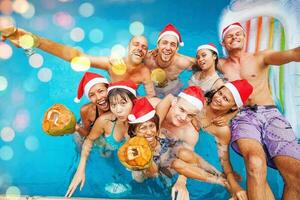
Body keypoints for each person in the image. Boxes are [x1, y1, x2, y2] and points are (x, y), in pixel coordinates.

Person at [218, 22, 300, 200]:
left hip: (271, 115)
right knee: (255, 163)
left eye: (238, 33)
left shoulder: (260, 57)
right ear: (223, 43)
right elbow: (194, 62)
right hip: (242, 117)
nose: (235, 37)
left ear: (245, 38)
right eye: (229, 35)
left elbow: (293, 54)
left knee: (297, 177)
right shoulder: (220, 65)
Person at [0, 27, 155, 97]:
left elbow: (150, 98)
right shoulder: (112, 63)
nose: (139, 48)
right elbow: (77, 58)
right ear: (128, 47)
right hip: (108, 103)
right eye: (136, 44)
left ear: (146, 53)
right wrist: (37, 41)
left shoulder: (145, 73)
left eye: (144, 47)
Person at [172, 80, 253, 200]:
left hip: (202, 160)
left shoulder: (223, 130)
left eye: (226, 99)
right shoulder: (199, 104)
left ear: (234, 106)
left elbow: (224, 162)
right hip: (185, 153)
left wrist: (234, 186)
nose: (219, 98)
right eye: (220, 93)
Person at [65, 80, 138, 197]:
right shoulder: (105, 120)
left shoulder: (143, 122)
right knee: (104, 154)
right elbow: (89, 140)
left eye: (123, 103)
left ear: (134, 102)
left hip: (124, 149)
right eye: (114, 105)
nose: (118, 110)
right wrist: (80, 168)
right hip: (106, 144)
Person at [155, 86, 206, 200]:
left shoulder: (190, 133)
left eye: (190, 115)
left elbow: (188, 158)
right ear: (174, 102)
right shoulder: (156, 106)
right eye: (182, 109)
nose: (183, 117)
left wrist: (181, 182)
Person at [144, 24, 195, 98]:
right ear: (158, 45)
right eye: (164, 43)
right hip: (153, 92)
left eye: (173, 44)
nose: (168, 48)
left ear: (177, 49)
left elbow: (206, 63)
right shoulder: (147, 58)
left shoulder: (182, 62)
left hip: (174, 92)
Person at [73, 72, 110, 138]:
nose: (98, 98)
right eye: (92, 95)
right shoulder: (86, 110)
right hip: (87, 125)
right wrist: (77, 128)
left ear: (108, 89)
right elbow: (87, 134)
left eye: (101, 91)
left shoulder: (120, 105)